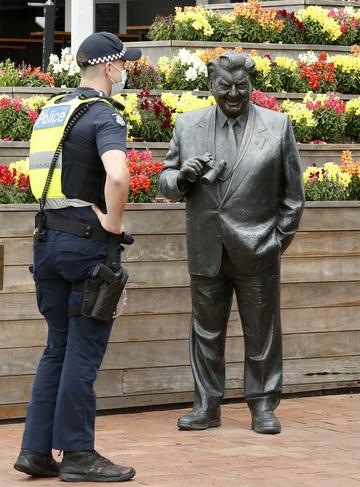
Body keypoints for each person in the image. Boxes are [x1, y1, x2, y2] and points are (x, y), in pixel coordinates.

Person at [14, 32, 139, 482]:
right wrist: (114, 223)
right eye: (124, 65)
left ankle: (35, 451)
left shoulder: (52, 111)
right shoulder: (103, 115)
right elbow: (118, 176)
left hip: (46, 243)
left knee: (57, 349)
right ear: (108, 69)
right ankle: (79, 454)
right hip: (87, 248)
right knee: (82, 355)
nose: (126, 72)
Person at [158, 52, 304, 435]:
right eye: (225, 86)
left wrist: (275, 242)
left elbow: (293, 196)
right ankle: (206, 405)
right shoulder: (188, 125)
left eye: (242, 86)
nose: (234, 94)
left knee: (262, 333)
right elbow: (165, 181)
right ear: (212, 86)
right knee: (205, 332)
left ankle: (262, 406)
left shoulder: (277, 126)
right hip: (206, 248)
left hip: (258, 248)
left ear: (251, 86)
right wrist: (182, 177)